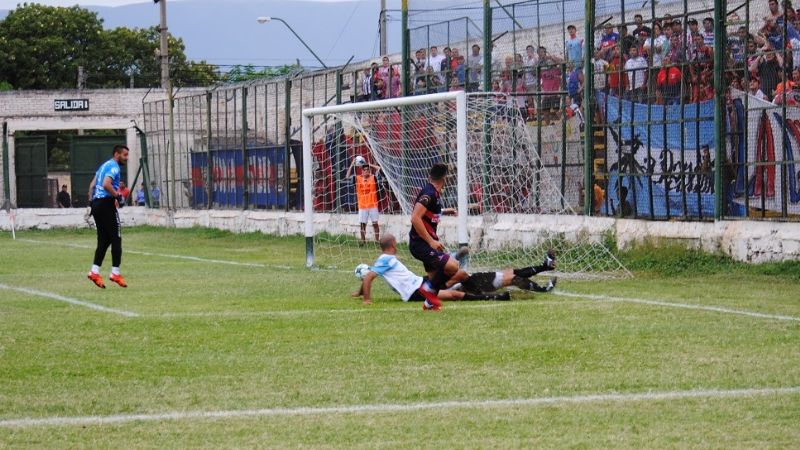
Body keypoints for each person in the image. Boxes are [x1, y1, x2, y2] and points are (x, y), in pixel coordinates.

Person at [352, 234, 511, 308]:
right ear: (393, 245)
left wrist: (359, 293)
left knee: (459, 274)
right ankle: (491, 297)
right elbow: (368, 278)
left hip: (420, 282)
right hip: (415, 291)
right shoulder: (385, 260)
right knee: (452, 294)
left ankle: (457, 263)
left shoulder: (384, 260)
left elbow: (368, 275)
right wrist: (366, 299)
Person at [409, 163, 470, 293]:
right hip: (421, 244)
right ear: (444, 178)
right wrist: (431, 242)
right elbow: (415, 218)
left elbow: (429, 212)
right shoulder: (429, 194)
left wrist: (445, 211)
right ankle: (428, 288)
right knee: (453, 266)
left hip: (423, 244)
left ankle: (431, 293)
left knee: (436, 280)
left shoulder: (433, 194)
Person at [86, 144, 129, 289]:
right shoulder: (114, 167)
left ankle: (94, 271)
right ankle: (115, 273)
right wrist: (118, 196)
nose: (126, 158)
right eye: (125, 155)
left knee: (104, 240)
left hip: (97, 204)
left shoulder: (103, 165)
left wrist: (91, 203)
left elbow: (92, 185)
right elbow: (106, 184)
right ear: (117, 154)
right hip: (106, 204)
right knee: (116, 238)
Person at [345, 156, 381, 244]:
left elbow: (379, 169)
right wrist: (352, 165)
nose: (366, 171)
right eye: (365, 170)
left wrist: (370, 165)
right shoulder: (358, 179)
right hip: (362, 206)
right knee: (362, 224)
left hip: (373, 205)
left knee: (375, 224)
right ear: (362, 171)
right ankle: (363, 241)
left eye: (368, 170)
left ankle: (377, 241)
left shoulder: (373, 178)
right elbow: (347, 176)